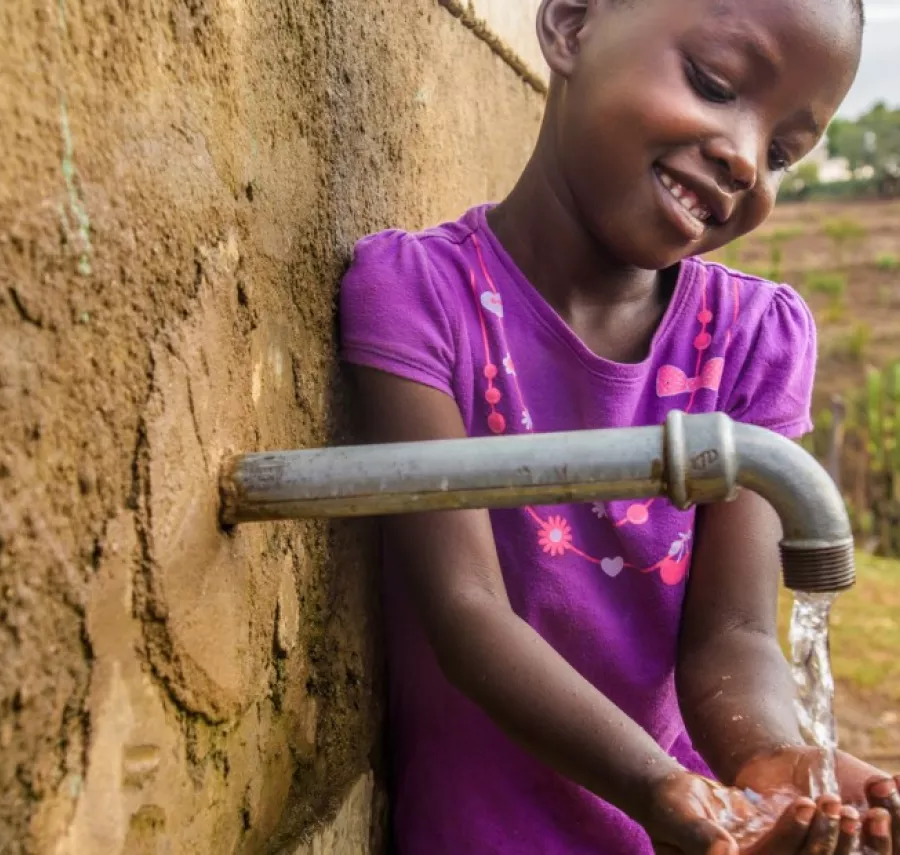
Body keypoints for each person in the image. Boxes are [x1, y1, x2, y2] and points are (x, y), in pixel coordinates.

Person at [337, 0, 900, 852]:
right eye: (714, 84)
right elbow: (465, 609)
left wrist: (774, 757)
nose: (745, 158)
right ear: (570, 26)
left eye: (782, 151)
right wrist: (654, 787)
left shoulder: (755, 342)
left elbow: (734, 633)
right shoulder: (419, 297)